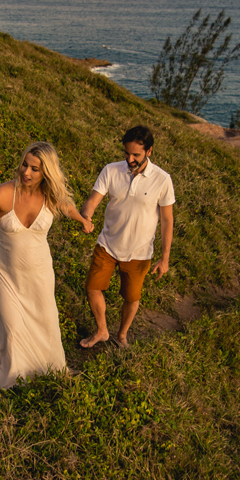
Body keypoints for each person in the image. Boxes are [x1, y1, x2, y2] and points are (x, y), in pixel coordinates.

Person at [0, 142, 94, 389]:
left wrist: (82, 220)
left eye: (34, 169)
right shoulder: (4, 193)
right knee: (12, 328)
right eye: (25, 165)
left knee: (47, 322)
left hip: (40, 273)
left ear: (46, 172)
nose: (26, 172)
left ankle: (51, 372)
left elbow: (66, 206)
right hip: (5, 273)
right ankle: (16, 380)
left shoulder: (50, 196)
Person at [79, 125, 175, 349]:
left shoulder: (162, 179)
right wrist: (86, 216)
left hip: (139, 252)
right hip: (107, 244)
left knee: (131, 298)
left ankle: (122, 335)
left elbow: (167, 220)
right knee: (92, 287)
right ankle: (102, 330)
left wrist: (165, 258)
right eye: (127, 153)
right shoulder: (111, 170)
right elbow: (93, 200)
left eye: (136, 155)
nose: (130, 159)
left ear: (149, 151)